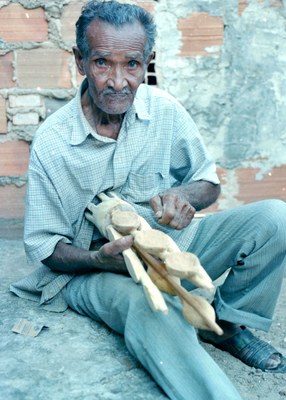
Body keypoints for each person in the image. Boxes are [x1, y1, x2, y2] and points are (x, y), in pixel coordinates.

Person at [10, 1, 286, 399]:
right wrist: (99, 259)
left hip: (166, 248)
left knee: (275, 218)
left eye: (132, 65)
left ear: (147, 63)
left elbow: (207, 182)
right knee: (155, 311)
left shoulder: (164, 110)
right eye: (103, 63)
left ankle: (223, 323)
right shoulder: (54, 144)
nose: (118, 81)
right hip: (96, 269)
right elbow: (45, 248)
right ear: (81, 61)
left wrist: (183, 196)